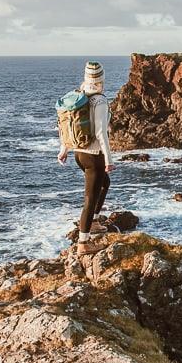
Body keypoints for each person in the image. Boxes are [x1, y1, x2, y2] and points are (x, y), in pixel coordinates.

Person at [57, 61, 114, 255]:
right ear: (101, 79)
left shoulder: (79, 97)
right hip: (94, 157)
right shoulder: (99, 100)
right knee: (90, 198)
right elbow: (100, 132)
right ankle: (83, 243)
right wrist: (109, 159)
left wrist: (64, 149)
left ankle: (95, 221)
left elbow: (69, 125)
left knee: (105, 183)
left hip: (79, 154)